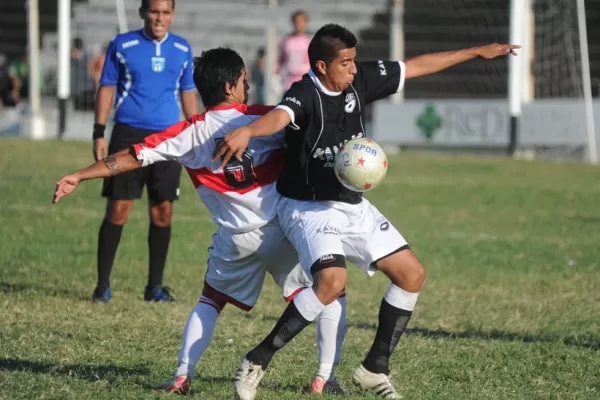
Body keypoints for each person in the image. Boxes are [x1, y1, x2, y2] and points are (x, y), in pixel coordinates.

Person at [214, 24, 519, 400]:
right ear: (322, 66)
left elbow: (417, 66)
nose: (354, 69)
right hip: (309, 208)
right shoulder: (304, 93)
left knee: (412, 274)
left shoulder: (358, 81)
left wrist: (475, 51)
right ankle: (258, 359)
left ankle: (375, 368)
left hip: (351, 203)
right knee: (331, 283)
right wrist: (249, 132)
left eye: (355, 60)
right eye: (345, 63)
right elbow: (278, 117)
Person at [53, 47, 347, 396]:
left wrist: (79, 175)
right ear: (228, 86)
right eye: (243, 79)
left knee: (210, 301)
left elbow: (131, 157)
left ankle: (181, 375)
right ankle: (323, 378)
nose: (247, 85)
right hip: (282, 229)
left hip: (234, 239)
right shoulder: (264, 119)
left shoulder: (187, 133)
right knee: (332, 290)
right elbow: (315, 130)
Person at [91, 0, 198, 303]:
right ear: (143, 13)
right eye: (154, 11)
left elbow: (187, 92)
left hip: (168, 139)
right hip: (128, 135)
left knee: (162, 212)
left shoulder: (182, 49)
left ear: (173, 15)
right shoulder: (122, 44)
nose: (159, 18)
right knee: (118, 209)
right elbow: (107, 87)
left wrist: (193, 132)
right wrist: (99, 131)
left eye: (165, 12)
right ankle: (102, 287)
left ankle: (154, 287)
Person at [278, 10, 311, 91]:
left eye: (301, 21)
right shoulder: (286, 40)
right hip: (289, 82)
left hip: (305, 81)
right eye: (297, 21)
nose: (299, 24)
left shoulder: (309, 41)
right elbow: (280, 60)